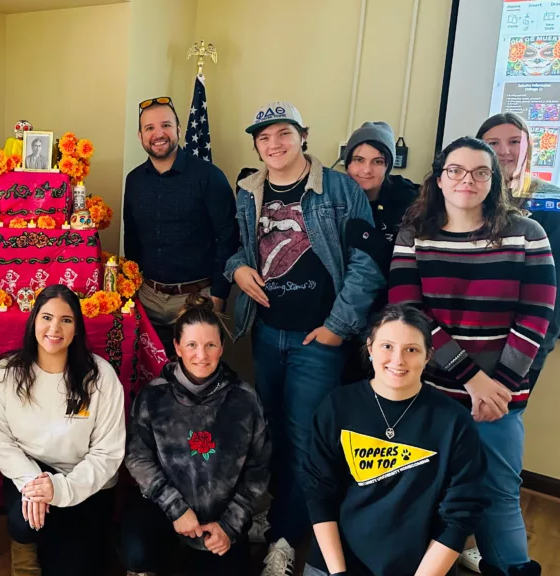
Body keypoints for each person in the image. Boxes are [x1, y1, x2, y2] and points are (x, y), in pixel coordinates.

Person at [225, 101, 384, 576]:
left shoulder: (339, 188)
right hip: (267, 332)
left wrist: (338, 327)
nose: (274, 144)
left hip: (317, 341)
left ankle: (285, 537)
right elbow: (238, 248)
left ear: (303, 135)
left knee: (304, 438)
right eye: (264, 137)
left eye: (284, 134)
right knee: (270, 430)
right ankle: (282, 516)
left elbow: (367, 264)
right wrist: (237, 270)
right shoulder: (249, 189)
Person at [389, 137, 556, 576]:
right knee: (425, 495)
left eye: (481, 172)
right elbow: (409, 315)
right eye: (456, 170)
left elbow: (536, 316)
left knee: (498, 497)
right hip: (430, 394)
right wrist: (470, 378)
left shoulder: (527, 234)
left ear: (494, 180)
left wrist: (497, 388)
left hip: (499, 400)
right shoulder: (414, 235)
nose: (468, 180)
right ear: (439, 179)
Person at [460, 113, 560, 575]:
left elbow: (555, 301)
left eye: (514, 141)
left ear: (531, 147)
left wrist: (513, 375)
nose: (504, 151)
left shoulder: (556, 206)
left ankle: (501, 559)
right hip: (452, 365)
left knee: (495, 476)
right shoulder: (465, 199)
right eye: (493, 142)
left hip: (509, 368)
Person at [304, 304, 488, 576]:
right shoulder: (336, 407)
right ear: (370, 348)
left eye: (411, 349)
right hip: (336, 564)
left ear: (428, 356)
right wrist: (338, 574)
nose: (398, 360)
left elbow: (459, 517)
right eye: (387, 346)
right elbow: (319, 493)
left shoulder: (455, 423)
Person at [0, 284, 126, 576]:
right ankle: (25, 548)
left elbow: (107, 453)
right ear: (34, 321)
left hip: (85, 482)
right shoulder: (6, 373)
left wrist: (60, 489)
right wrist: (35, 485)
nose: (54, 328)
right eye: (46, 317)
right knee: (24, 524)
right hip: (31, 474)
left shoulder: (101, 377)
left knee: (74, 567)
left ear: (77, 329)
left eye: (66, 320)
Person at [121, 294, 270, 576]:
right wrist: (175, 507)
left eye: (210, 345)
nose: (201, 355)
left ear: (221, 347)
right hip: (163, 510)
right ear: (177, 346)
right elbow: (137, 457)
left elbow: (258, 469)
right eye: (191, 345)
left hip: (219, 518)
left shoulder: (245, 400)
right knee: (137, 553)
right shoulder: (154, 395)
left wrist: (230, 524)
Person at [124, 96, 237, 356]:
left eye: (165, 125)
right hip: (147, 298)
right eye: (149, 128)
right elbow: (132, 238)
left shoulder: (209, 176)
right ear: (141, 136)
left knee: (195, 374)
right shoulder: (134, 180)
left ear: (178, 129)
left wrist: (218, 296)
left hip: (197, 299)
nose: (158, 134)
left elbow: (228, 237)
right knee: (148, 373)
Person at [340, 121, 419, 383]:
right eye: (358, 160)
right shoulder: (334, 197)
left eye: (377, 161)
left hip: (390, 315)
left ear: (388, 165)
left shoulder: (410, 202)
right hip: (341, 311)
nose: (366, 170)